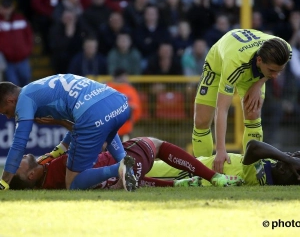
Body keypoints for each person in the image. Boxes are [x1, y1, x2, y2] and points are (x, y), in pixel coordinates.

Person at [0, 74, 136, 191]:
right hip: (119, 102)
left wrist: (4, 182)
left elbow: (19, 144)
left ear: (10, 100)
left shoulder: (24, 100)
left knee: (73, 183)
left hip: (94, 115)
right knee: (103, 126)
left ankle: (118, 168)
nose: (8, 117)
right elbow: (82, 119)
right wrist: (62, 147)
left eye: (5, 111)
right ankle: (126, 164)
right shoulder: (36, 88)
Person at [192, 28, 292, 174]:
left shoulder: (284, 49)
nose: (276, 76)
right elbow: (222, 109)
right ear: (259, 60)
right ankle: (202, 171)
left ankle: (253, 170)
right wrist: (221, 150)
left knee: (253, 113)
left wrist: (258, 84)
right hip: (219, 66)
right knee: (201, 121)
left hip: (253, 69)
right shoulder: (234, 64)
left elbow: (274, 68)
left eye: (279, 71)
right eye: (272, 71)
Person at [9, 135, 244, 190]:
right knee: (157, 144)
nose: (17, 159)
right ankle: (215, 177)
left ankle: (178, 185)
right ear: (31, 175)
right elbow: (82, 133)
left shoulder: (46, 177)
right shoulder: (58, 167)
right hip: (127, 159)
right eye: (17, 165)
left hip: (120, 179)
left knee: (130, 177)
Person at [147, 139, 300, 186]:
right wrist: (291, 158)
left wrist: (289, 160)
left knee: (139, 169)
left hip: (185, 173)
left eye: (287, 164)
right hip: (194, 164)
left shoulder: (261, 177)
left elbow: (253, 146)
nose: (285, 158)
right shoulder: (273, 165)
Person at [0, 0, 33, 87]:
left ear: (12, 7)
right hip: (8, 61)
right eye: (4, 7)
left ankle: (26, 101)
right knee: (13, 85)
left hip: (23, 59)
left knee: (26, 82)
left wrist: (27, 50)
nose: (6, 10)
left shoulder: (21, 19)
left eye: (8, 7)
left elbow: (29, 36)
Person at [106, 68, 142, 141]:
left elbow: (135, 108)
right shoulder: (107, 87)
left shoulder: (129, 89)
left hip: (123, 128)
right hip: (110, 129)